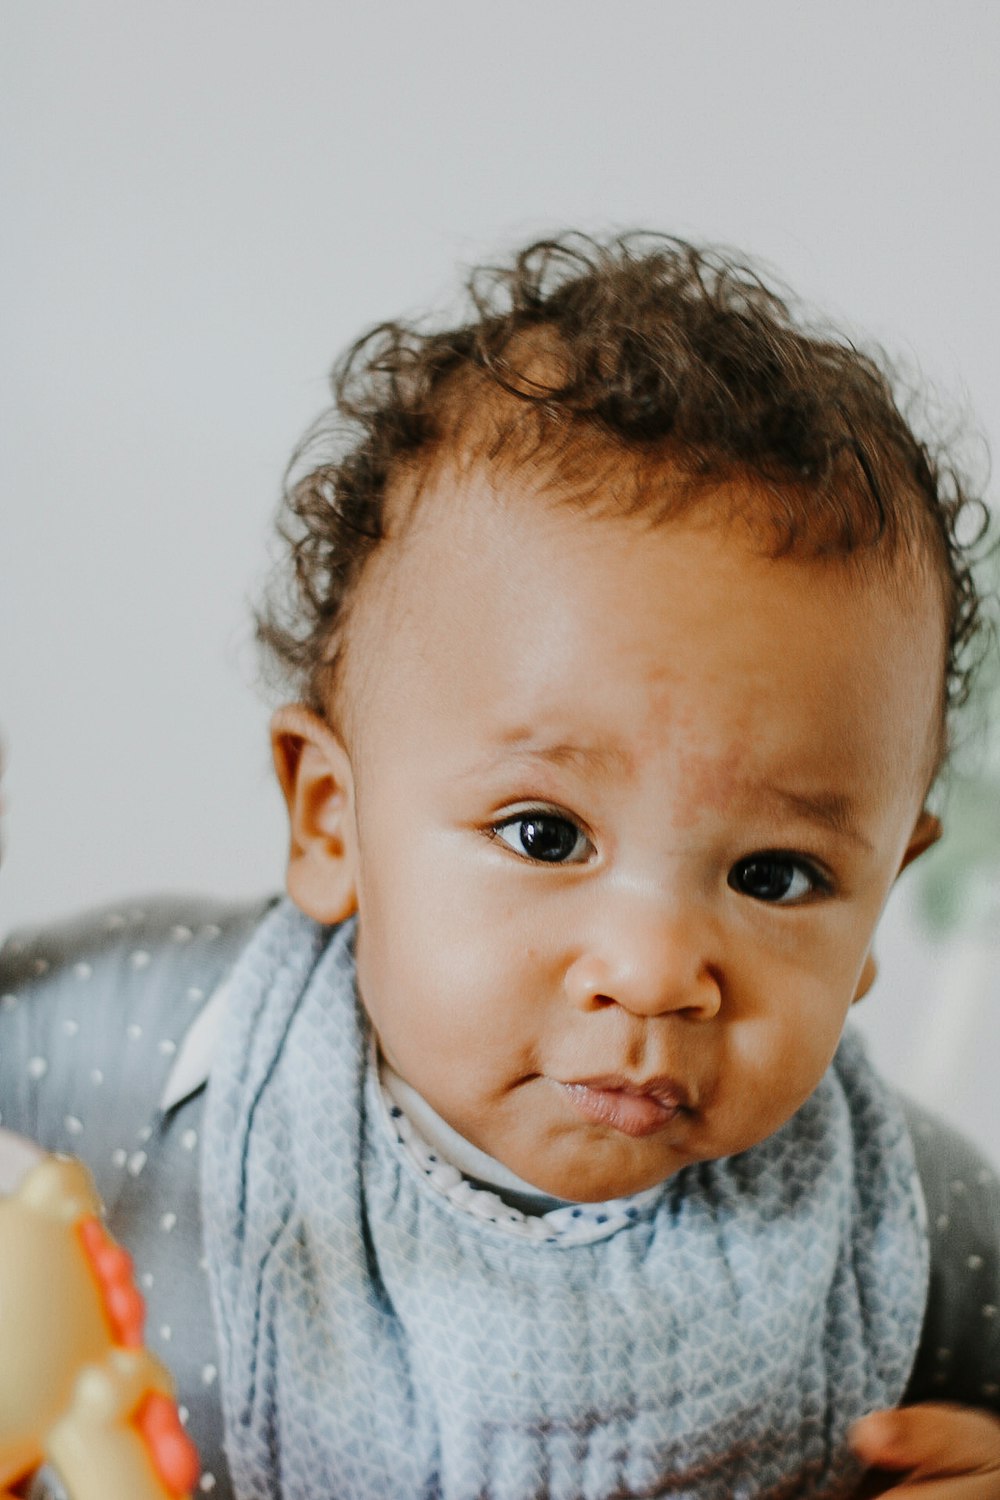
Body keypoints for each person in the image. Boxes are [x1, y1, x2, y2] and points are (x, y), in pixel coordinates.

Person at [2, 233, 999, 1500]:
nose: (652, 975)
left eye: (775, 876)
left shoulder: (903, 1217)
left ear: (883, 893)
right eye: (545, 835)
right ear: (328, 821)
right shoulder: (145, 1052)